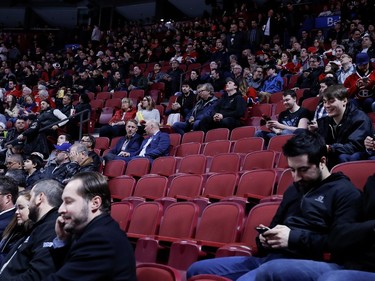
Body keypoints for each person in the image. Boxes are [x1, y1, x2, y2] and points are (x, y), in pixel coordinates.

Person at [187, 130, 362, 281]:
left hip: (306, 261)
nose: (296, 178)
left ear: (322, 161)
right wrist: (264, 239)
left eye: (303, 170)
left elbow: (340, 244)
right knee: (196, 270)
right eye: (292, 170)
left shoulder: (345, 192)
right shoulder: (294, 190)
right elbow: (275, 225)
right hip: (270, 258)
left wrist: (292, 238)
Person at [44, 172, 136, 280]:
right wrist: (62, 240)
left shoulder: (101, 239)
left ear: (95, 203)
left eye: (68, 202)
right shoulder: (93, 231)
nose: (60, 209)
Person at [0, 179, 63, 280]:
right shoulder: (40, 226)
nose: (29, 205)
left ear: (39, 198)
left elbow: (37, 275)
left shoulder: (50, 228)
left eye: (32, 197)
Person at [308, 85, 373, 167]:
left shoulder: (360, 118)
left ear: (344, 101)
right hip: (333, 155)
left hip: (356, 157)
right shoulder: (325, 121)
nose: (326, 106)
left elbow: (355, 146)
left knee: (343, 157)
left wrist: (330, 148)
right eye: (324, 102)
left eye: (331, 101)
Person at [0, 190, 32, 264]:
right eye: (16, 208)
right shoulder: (15, 227)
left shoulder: (31, 233)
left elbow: (12, 262)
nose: (16, 212)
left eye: (21, 208)